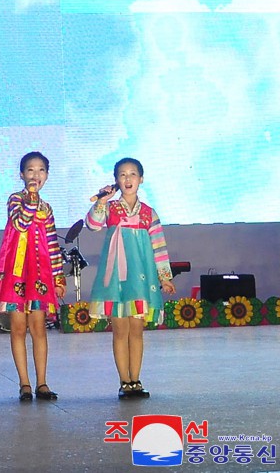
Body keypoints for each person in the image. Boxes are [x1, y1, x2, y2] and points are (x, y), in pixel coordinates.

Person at [86, 157, 175, 399]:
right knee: (119, 330)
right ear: (116, 180)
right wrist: (102, 201)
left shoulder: (148, 213)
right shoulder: (111, 208)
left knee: (137, 329)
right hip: (115, 277)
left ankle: (136, 379)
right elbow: (92, 224)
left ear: (141, 179)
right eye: (122, 175)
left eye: (132, 174)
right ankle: (124, 381)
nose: (128, 179)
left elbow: (159, 246)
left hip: (141, 278)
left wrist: (164, 277)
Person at [0, 151, 65, 401]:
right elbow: (20, 223)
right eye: (30, 170)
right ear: (21, 174)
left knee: (39, 328)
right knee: (18, 328)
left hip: (39, 275)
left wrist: (59, 278)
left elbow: (52, 245)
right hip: (17, 275)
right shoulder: (15, 200)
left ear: (47, 176)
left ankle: (42, 383)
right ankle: (24, 383)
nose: (35, 175)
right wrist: (31, 197)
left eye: (41, 170)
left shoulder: (47, 209)